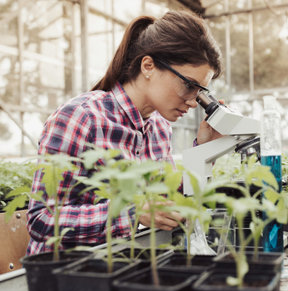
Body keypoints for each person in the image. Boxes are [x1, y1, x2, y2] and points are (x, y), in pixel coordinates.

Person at [26, 10, 223, 255]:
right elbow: (42, 220)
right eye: (190, 86)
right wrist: (133, 211)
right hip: (64, 278)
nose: (194, 102)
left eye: (201, 92)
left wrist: (204, 151)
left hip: (126, 267)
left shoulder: (158, 126)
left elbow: (166, 204)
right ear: (148, 66)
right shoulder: (82, 117)